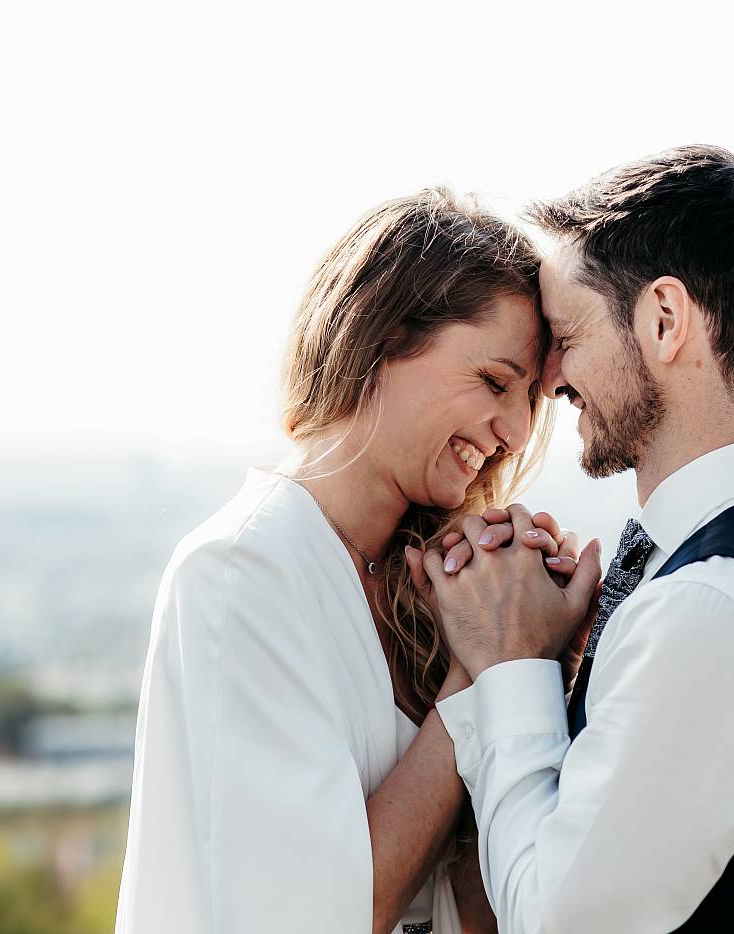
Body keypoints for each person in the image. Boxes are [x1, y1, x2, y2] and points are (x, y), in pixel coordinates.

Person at [115, 186, 590, 933]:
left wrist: (540, 673)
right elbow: (331, 909)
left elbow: (474, 906)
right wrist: (487, 664)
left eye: (533, 399)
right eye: (496, 382)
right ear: (382, 337)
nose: (515, 429)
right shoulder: (241, 573)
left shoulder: (425, 583)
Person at [413, 146, 734, 933]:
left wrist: (511, 666)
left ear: (663, 320)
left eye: (567, 333)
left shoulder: (712, 605)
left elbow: (552, 918)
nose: (550, 380)